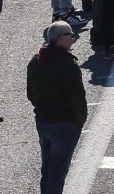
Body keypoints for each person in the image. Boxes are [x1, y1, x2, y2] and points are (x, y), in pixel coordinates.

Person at [28, 21, 87, 194]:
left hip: (43, 122)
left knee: (47, 170)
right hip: (64, 125)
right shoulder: (68, 65)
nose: (73, 39)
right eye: (71, 36)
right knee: (58, 173)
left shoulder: (35, 62)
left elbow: (30, 94)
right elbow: (77, 98)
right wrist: (79, 122)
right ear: (60, 39)